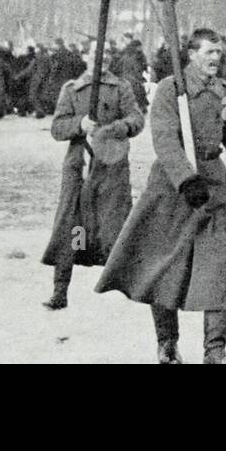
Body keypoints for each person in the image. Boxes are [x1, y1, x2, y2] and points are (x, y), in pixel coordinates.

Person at [96, 28, 226, 365]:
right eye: (209, 52)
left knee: (221, 270)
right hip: (171, 190)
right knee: (164, 269)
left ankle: (215, 351)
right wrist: (185, 179)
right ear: (192, 55)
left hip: (213, 191)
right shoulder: (170, 90)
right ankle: (167, 345)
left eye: (218, 52)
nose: (216, 58)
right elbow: (165, 140)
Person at [40, 42, 144, 311]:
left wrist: (117, 128)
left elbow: (137, 118)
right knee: (71, 226)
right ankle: (60, 290)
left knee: (115, 223)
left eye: (107, 55)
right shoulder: (71, 89)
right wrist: (80, 125)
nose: (102, 60)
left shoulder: (121, 87)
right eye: (96, 55)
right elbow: (57, 127)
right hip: (80, 166)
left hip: (112, 164)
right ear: (86, 57)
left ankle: (129, 286)